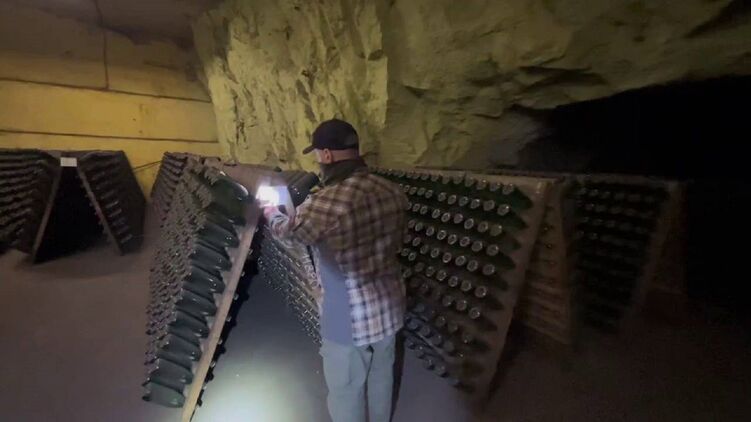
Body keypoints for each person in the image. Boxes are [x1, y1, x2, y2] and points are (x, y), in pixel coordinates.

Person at [263, 119, 408, 422]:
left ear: (326, 155)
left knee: (346, 389)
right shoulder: (392, 191)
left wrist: (272, 212)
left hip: (347, 314)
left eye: (318, 154)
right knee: (382, 375)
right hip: (389, 304)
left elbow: (290, 236)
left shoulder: (326, 203)